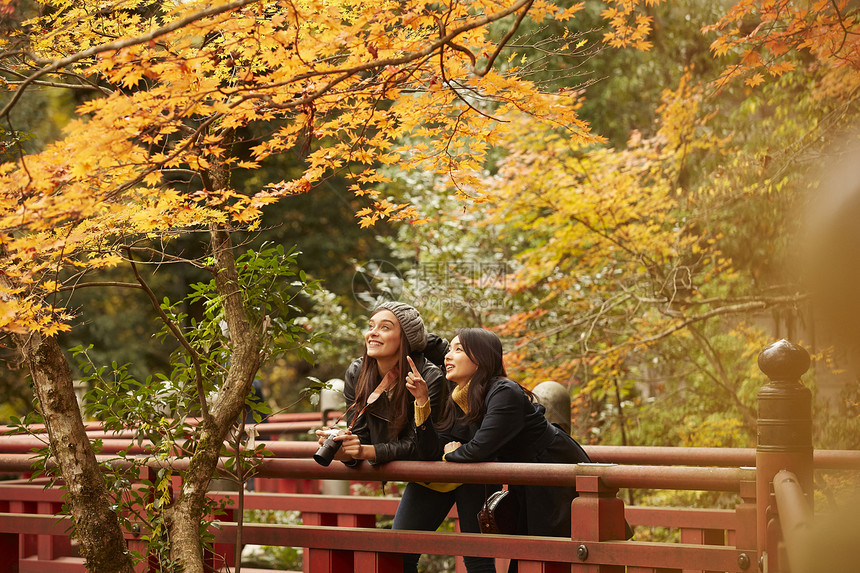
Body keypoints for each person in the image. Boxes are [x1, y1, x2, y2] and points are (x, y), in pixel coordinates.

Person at [407, 328, 592, 571]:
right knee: (529, 557)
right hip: (527, 479)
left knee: (555, 556)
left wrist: (449, 455)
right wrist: (422, 402)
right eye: (449, 349)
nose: (448, 356)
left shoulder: (504, 391)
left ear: (481, 358)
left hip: (553, 470)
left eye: (458, 349)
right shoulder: (462, 397)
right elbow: (431, 447)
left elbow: (479, 449)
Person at [318, 302, 477, 572]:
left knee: (478, 561)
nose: (373, 333)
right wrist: (346, 452)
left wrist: (366, 452)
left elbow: (423, 447)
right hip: (429, 478)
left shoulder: (429, 376)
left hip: (467, 464)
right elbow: (360, 441)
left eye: (385, 327)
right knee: (398, 555)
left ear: (405, 338)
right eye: (370, 327)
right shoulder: (357, 373)